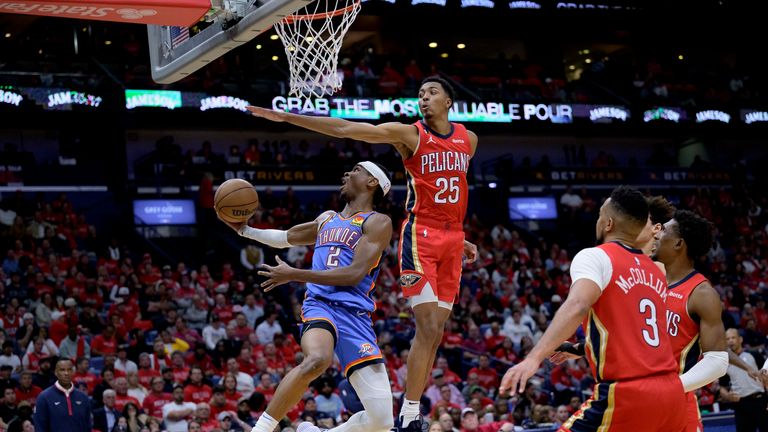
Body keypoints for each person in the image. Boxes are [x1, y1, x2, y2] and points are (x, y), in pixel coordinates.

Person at [246, 76, 479, 432]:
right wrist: (290, 118)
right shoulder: (410, 135)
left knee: (429, 344)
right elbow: (345, 128)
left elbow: (453, 189)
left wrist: (457, 235)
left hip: (440, 245)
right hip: (416, 241)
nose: (424, 98)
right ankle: (411, 410)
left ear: (449, 100)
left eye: (432, 93)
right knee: (425, 326)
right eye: (420, 93)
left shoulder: (469, 140)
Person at [220, 163, 395, 432]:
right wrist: (244, 230)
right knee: (317, 359)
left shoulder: (378, 222)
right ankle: (261, 429)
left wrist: (295, 274)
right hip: (321, 304)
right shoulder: (326, 219)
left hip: (356, 316)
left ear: (372, 182)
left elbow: (354, 274)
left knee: (382, 421)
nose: (346, 174)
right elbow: (285, 237)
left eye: (356, 170)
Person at [500, 186, 687, 431]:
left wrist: (532, 359)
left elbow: (578, 304)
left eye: (600, 214)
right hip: (671, 393)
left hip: (628, 393)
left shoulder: (595, 256)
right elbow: (639, 335)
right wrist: (581, 349)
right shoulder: (657, 271)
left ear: (607, 223)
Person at [721, 329, 767, 432]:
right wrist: (728, 396)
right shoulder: (724, 362)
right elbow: (722, 388)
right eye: (727, 339)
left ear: (740, 339)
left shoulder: (753, 354)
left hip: (760, 400)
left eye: (733, 338)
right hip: (740, 404)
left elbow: (766, 374)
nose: (730, 341)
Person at [33, 358, 92, 432]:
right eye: (62, 370)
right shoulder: (44, 397)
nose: (66, 373)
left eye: (69, 370)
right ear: (56, 372)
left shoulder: (83, 397)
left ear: (73, 372)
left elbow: (88, 426)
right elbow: (40, 428)